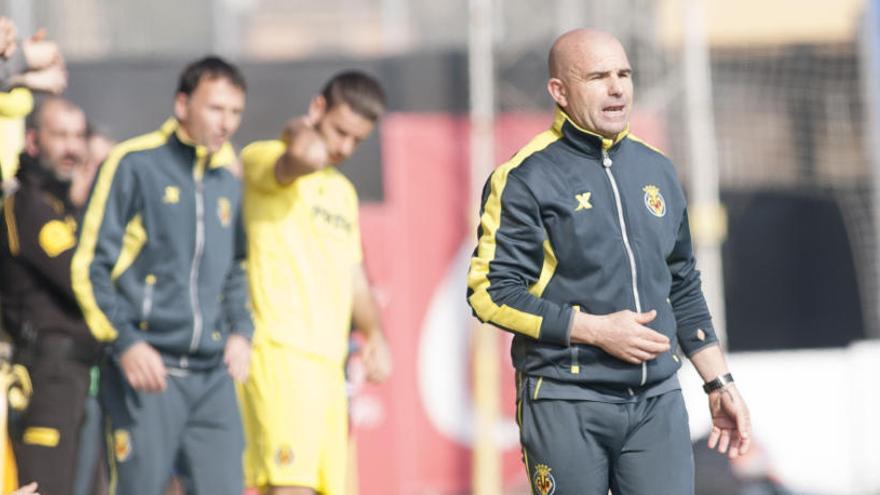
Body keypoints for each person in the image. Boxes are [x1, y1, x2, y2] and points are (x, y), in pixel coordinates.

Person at [466, 29, 752, 495]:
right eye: (598, 76)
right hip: (565, 398)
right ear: (559, 91)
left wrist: (718, 381)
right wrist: (596, 330)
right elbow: (489, 293)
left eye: (623, 74)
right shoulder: (525, 177)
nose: (617, 88)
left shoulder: (656, 168)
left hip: (657, 400)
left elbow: (681, 282)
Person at [71, 56, 253, 495]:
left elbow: (235, 268)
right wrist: (127, 342)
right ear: (182, 104)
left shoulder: (227, 181)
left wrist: (241, 331)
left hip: (213, 378)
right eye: (215, 108)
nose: (225, 123)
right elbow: (88, 266)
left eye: (235, 112)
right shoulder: (134, 163)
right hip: (149, 373)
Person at [238, 70, 392, 495]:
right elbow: (305, 156)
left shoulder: (342, 191)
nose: (344, 147)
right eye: (339, 131)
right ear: (317, 108)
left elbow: (354, 275)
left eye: (356, 140)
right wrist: (301, 129)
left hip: (330, 364)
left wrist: (375, 334)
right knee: (291, 487)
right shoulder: (266, 156)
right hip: (280, 352)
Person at [0, 97, 101, 495]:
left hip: (78, 371)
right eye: (60, 135)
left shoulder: (63, 205)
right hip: (46, 373)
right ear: (33, 140)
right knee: (48, 487)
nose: (72, 147)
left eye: (79, 136)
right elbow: (81, 277)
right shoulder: (28, 204)